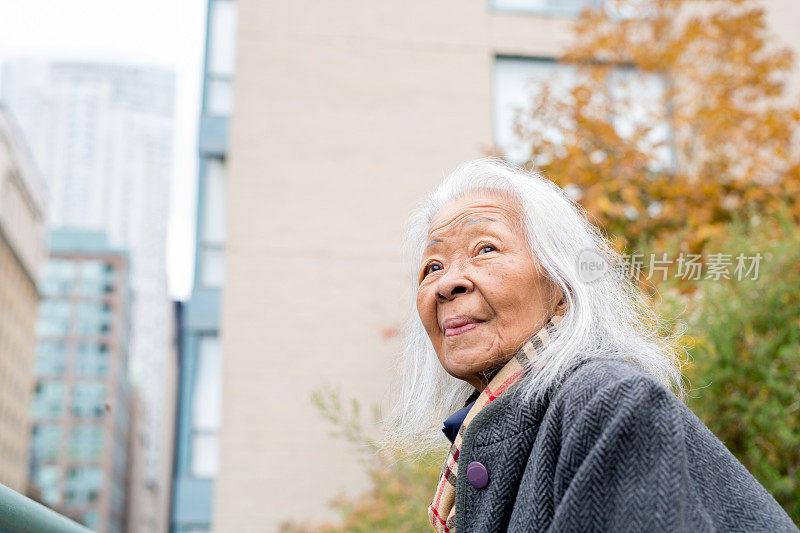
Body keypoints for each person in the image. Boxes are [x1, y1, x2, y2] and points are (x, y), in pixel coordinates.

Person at [385, 158, 798, 532]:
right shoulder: (495, 429)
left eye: (486, 248)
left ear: (562, 285)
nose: (446, 282)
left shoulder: (607, 401)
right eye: (432, 266)